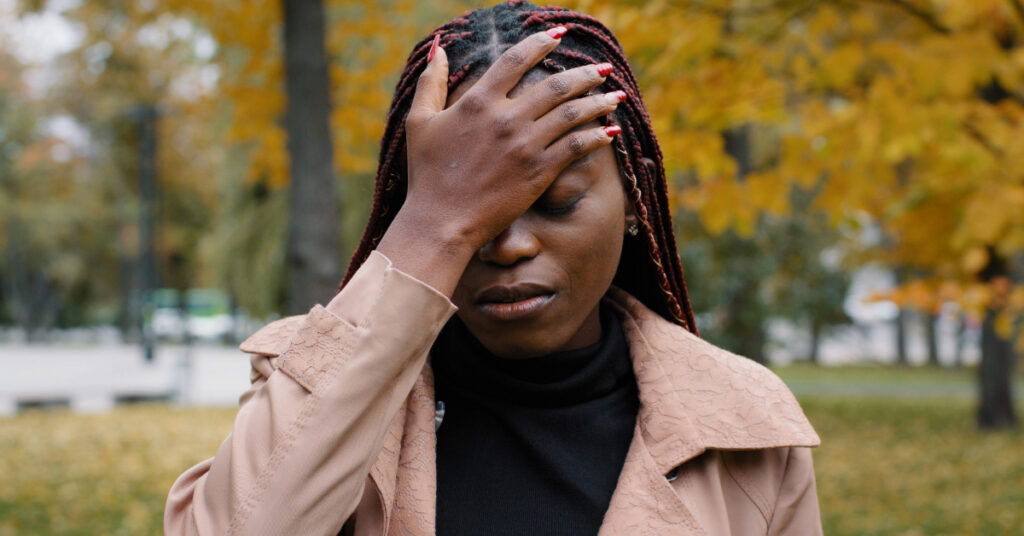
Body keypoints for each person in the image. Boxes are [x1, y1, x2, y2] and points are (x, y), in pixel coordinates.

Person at [165, 2, 822, 535]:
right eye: (470, 209)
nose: (507, 245)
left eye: (555, 202)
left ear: (633, 197)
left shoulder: (746, 427)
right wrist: (432, 228)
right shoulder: (304, 380)